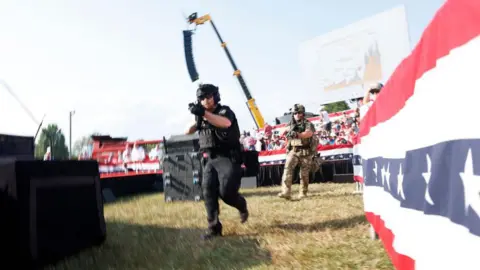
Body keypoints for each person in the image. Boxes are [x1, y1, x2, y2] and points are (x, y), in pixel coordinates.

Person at [185, 83, 249, 240]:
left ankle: (241, 205)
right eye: (201, 98)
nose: (205, 100)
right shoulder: (202, 115)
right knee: (208, 191)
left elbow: (225, 123)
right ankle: (214, 228)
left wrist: (204, 114)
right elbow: (187, 131)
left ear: (215, 96)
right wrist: (197, 115)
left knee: (226, 193)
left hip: (228, 157)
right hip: (211, 158)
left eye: (208, 96)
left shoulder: (225, 111)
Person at [278, 104, 317, 200]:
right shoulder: (291, 124)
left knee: (304, 174)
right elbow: (280, 133)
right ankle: (286, 192)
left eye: (299, 112)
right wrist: (286, 131)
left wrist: (297, 134)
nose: (297, 114)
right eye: (295, 113)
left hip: (305, 151)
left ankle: (303, 193)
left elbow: (308, 133)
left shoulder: (308, 123)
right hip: (293, 150)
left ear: (303, 113)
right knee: (287, 169)